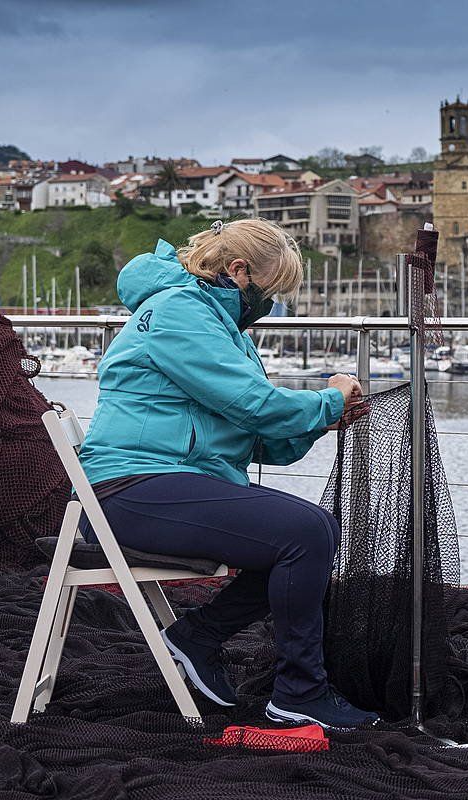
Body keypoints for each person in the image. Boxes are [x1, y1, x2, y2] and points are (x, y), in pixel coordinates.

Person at [77, 219, 377, 729]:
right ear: (238, 272)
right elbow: (253, 403)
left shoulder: (216, 325)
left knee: (316, 530)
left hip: (165, 481)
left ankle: (198, 637)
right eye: (271, 293)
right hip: (127, 490)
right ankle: (299, 693)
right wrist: (329, 400)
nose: (270, 307)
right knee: (303, 533)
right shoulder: (179, 311)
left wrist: (325, 419)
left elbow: (260, 437)